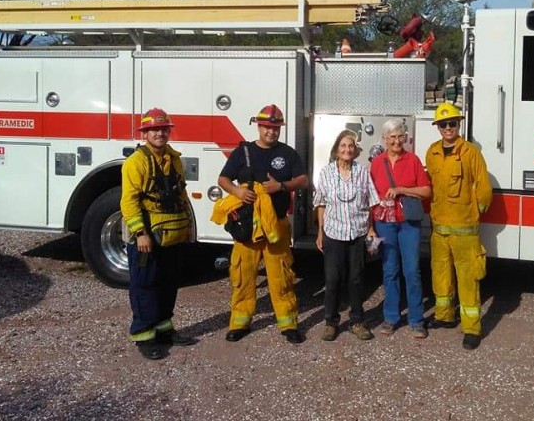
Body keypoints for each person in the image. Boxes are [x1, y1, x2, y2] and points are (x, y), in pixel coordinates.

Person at [218, 104, 309, 344]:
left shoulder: (287, 153)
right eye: (267, 127)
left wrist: (281, 186)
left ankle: (288, 323)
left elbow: (303, 180)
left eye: (275, 127)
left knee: (281, 275)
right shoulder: (243, 151)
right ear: (259, 127)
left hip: (276, 226)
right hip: (247, 227)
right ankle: (239, 322)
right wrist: (237, 192)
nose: (271, 132)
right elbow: (223, 179)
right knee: (244, 275)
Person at [121, 107, 198, 360]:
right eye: (154, 129)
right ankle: (144, 334)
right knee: (145, 284)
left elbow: (180, 193)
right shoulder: (136, 162)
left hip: (171, 232)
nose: (160, 133)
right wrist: (140, 233)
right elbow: (129, 202)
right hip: (147, 235)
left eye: (163, 129)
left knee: (168, 282)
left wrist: (187, 225)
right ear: (145, 133)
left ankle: (164, 328)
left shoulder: (173, 158)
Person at [424, 102, 493, 351]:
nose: (448, 128)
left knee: (468, 279)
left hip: (465, 229)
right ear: (437, 128)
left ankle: (472, 328)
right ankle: (444, 316)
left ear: (459, 124)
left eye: (452, 123)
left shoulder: (470, 152)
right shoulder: (431, 152)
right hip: (439, 227)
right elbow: (428, 186)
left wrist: (475, 212)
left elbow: (484, 188)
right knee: (440, 275)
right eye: (443, 124)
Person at [313, 130, 381, 341]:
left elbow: (371, 201)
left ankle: (357, 321)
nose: (347, 149)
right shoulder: (326, 172)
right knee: (333, 280)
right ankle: (330, 322)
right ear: (336, 149)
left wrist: (371, 229)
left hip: (358, 234)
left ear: (356, 150)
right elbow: (321, 203)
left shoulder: (362, 171)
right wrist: (320, 231)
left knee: (356, 279)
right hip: (333, 233)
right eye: (343, 146)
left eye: (350, 146)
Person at [369, 119, 432, 339]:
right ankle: (391, 317)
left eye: (399, 136)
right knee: (390, 270)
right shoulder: (376, 163)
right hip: (384, 223)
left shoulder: (413, 160)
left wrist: (402, 189)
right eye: (392, 137)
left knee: (412, 270)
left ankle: (416, 319)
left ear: (405, 137)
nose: (396, 140)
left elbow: (426, 191)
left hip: (408, 223)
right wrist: (370, 228)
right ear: (384, 140)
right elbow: (370, 198)